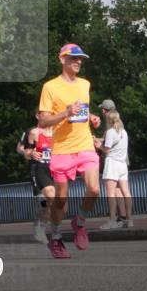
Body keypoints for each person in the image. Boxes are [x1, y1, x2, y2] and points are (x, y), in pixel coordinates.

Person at [38, 43, 102, 259]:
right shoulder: (50, 87)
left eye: (81, 58)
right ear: (62, 59)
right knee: (61, 201)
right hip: (62, 150)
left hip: (84, 144)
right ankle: (55, 239)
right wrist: (65, 113)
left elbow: (82, 109)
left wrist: (92, 117)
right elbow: (43, 120)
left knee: (94, 189)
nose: (79, 61)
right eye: (74, 58)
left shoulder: (85, 84)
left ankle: (80, 222)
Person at [18, 120, 55, 242]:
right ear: (37, 116)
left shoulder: (57, 130)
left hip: (52, 171)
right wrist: (29, 153)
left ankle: (41, 224)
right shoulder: (31, 132)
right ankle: (40, 228)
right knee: (43, 201)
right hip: (36, 170)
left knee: (51, 203)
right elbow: (20, 149)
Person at [99, 105, 133, 229]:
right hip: (123, 164)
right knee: (126, 191)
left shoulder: (110, 132)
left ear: (109, 120)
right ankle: (129, 220)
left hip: (112, 163)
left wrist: (98, 145)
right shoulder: (124, 132)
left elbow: (107, 150)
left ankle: (112, 220)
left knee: (110, 193)